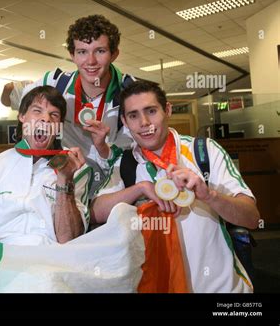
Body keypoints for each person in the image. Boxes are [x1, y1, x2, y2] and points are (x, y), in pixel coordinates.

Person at [91, 80, 260, 293]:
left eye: (151, 111)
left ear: (167, 110)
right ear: (125, 121)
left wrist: (208, 195)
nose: (144, 122)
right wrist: (140, 188)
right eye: (133, 115)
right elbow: (96, 212)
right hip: (158, 285)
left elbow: (252, 218)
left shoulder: (204, 151)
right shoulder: (125, 164)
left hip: (220, 288)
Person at [1, 15, 135, 193]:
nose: (91, 61)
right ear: (72, 55)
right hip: (66, 182)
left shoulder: (130, 92)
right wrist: (10, 89)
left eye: (100, 51)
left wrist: (103, 147)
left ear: (114, 54)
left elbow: (134, 151)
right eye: (82, 52)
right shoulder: (56, 82)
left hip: (110, 187)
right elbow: (9, 98)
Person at [0, 86, 92, 245]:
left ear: (59, 128)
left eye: (54, 115)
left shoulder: (75, 167)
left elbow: (68, 239)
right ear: (22, 116)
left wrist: (65, 180)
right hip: (2, 260)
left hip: (50, 263)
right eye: (37, 111)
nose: (46, 119)